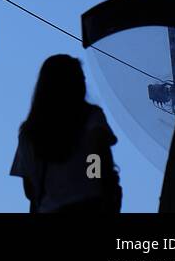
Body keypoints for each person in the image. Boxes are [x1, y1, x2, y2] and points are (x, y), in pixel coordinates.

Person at [10, 54, 121, 212]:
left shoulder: (29, 133)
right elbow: (100, 159)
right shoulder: (91, 119)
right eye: (81, 79)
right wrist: (93, 182)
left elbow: (30, 190)